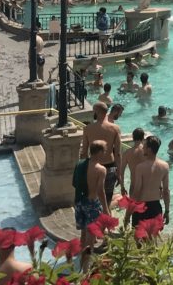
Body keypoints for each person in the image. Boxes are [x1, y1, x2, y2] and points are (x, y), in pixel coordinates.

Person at [73, 140, 109, 270]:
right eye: (104, 151)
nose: (105, 153)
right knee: (90, 240)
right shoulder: (101, 169)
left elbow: (75, 183)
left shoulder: (79, 164)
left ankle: (82, 265)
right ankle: (86, 271)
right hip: (92, 204)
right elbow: (100, 191)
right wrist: (106, 209)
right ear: (99, 152)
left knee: (83, 236)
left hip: (79, 202)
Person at [80, 101, 122, 202]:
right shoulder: (115, 128)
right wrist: (119, 172)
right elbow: (118, 153)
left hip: (94, 166)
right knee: (107, 198)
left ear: (97, 112)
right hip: (110, 167)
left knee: (94, 197)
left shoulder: (87, 129)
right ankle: (105, 215)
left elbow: (84, 152)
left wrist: (84, 170)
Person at [129, 134, 171, 225]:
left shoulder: (140, 167)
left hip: (141, 207)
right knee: (152, 238)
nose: (142, 148)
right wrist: (167, 211)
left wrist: (128, 214)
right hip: (156, 207)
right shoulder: (165, 166)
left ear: (149, 149)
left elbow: (137, 192)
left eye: (144, 146)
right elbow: (166, 191)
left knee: (138, 237)